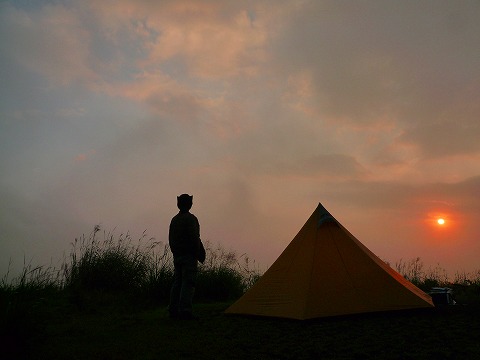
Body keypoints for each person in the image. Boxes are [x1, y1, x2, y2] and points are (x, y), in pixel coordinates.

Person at [168, 194, 202, 319]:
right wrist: (197, 253)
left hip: (177, 255)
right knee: (188, 282)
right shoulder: (191, 219)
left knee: (177, 282)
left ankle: (173, 309)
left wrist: (175, 252)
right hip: (188, 255)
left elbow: (170, 238)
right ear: (190, 204)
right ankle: (185, 310)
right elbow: (194, 238)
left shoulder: (174, 220)